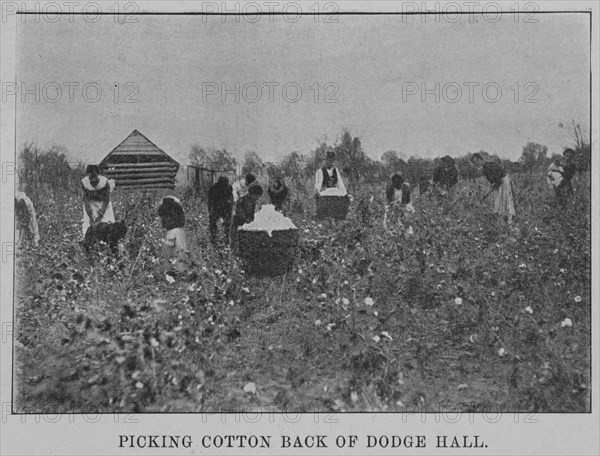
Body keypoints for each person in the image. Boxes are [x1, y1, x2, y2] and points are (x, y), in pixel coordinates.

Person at [470, 153, 516, 223]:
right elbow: (493, 183)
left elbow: (497, 181)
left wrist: (486, 194)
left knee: (505, 199)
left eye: (475, 163)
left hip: (503, 181)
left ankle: (509, 219)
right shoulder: (486, 168)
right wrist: (487, 194)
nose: (476, 165)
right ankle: (500, 217)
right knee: (498, 199)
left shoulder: (489, 166)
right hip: (500, 182)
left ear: (479, 160)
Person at [81, 164, 116, 238]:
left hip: (103, 204)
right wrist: (90, 216)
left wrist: (100, 215)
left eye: (94, 176)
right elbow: (86, 199)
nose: (92, 179)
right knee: (89, 225)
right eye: (90, 176)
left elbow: (106, 199)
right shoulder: (84, 182)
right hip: (91, 204)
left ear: (98, 174)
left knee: (107, 223)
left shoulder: (104, 182)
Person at [158, 196, 189, 273]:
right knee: (180, 252)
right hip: (179, 232)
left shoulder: (171, 232)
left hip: (170, 232)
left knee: (169, 253)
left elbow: (168, 251)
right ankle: (180, 270)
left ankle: (171, 271)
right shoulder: (180, 231)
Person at [231, 184, 263, 250]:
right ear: (253, 194)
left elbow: (252, 214)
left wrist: (253, 221)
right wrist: (247, 220)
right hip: (238, 221)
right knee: (236, 240)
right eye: (257, 196)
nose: (258, 198)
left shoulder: (253, 202)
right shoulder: (242, 199)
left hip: (245, 223)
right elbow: (239, 211)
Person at [207, 176, 234, 246]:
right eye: (223, 184)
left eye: (225, 184)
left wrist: (230, 207)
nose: (224, 186)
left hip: (226, 207)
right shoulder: (213, 188)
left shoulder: (229, 187)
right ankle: (213, 238)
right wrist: (210, 209)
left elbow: (231, 198)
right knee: (213, 223)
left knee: (228, 223)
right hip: (216, 207)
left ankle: (227, 239)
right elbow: (210, 200)